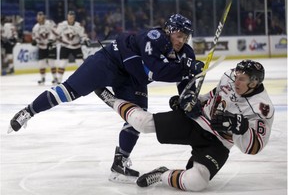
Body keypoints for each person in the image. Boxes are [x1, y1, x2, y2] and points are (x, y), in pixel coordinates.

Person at [8, 14, 204, 183]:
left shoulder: (185, 53)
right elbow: (159, 71)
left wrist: (189, 97)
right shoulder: (153, 37)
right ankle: (28, 111)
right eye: (179, 35)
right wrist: (186, 68)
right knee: (68, 91)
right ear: (169, 31)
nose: (182, 41)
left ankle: (119, 165)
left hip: (132, 77)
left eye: (185, 37)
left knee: (136, 119)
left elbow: (185, 83)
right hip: (109, 62)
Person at [95, 59, 274, 192]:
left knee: (197, 182)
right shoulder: (229, 77)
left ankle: (162, 174)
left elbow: (255, 147)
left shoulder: (262, 108)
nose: (236, 82)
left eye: (242, 79)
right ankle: (112, 100)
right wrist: (189, 101)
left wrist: (240, 128)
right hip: (198, 121)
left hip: (218, 143)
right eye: (236, 76)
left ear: (254, 82)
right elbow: (212, 96)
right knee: (143, 123)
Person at [54, 10, 90, 83]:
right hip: (65, 46)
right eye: (69, 16)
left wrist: (86, 40)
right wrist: (52, 41)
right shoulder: (62, 25)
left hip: (76, 46)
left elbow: (83, 35)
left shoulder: (78, 26)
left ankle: (84, 78)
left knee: (80, 63)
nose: (70, 18)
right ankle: (58, 79)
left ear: (74, 18)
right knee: (62, 63)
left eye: (72, 17)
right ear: (67, 17)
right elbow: (55, 33)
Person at [31, 11, 58, 85]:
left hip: (51, 45)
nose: (40, 19)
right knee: (41, 63)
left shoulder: (50, 23)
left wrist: (51, 40)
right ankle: (42, 78)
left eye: (41, 17)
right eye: (38, 17)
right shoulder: (36, 27)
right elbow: (34, 36)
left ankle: (55, 78)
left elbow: (55, 32)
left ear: (44, 17)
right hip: (41, 46)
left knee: (52, 62)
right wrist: (34, 41)